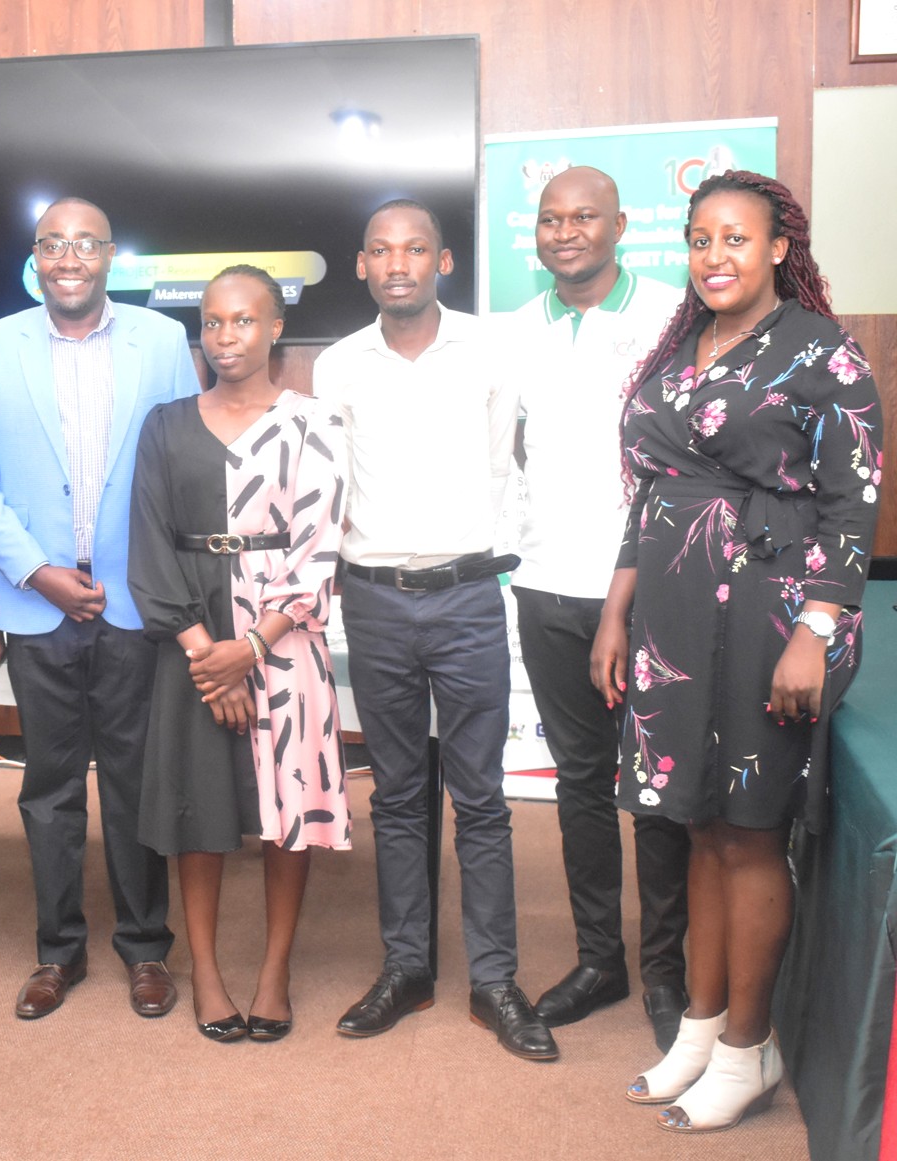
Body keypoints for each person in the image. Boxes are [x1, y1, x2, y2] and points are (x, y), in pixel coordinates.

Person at [594, 170, 882, 1132]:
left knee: (750, 832)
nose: (714, 256)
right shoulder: (681, 347)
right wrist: (615, 613)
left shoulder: (822, 352)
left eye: (734, 238)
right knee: (699, 826)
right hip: (673, 612)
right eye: (699, 239)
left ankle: (751, 1047)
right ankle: (703, 1027)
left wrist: (819, 626)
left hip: (773, 608)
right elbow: (652, 496)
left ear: (776, 248)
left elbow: (854, 501)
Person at [314, 199, 557, 1061]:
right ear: (361, 266)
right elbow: (329, 485)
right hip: (373, 599)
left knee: (481, 796)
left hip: (464, 598)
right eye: (381, 250)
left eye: (415, 248)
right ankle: (407, 968)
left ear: (443, 260)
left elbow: (499, 461)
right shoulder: (338, 366)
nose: (399, 263)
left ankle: (494, 980)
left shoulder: (489, 351)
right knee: (398, 794)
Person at [0, 196, 199, 1020]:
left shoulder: (162, 342)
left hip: (136, 603)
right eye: (52, 243)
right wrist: (33, 570)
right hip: (38, 605)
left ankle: (145, 948)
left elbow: (184, 462)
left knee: (135, 783)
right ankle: (58, 951)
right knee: (50, 788)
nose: (68, 258)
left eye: (84, 243)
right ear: (36, 255)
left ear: (110, 254)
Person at [129, 266, 348, 1042]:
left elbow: (321, 549)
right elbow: (149, 546)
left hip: (284, 636)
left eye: (244, 321)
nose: (226, 337)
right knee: (200, 812)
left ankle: (274, 969)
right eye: (213, 323)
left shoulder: (313, 422)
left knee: (287, 814)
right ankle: (209, 973)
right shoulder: (164, 423)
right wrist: (206, 655)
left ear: (276, 327)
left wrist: (250, 647)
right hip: (192, 636)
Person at [506, 166, 692, 1050]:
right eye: (551, 219)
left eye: (584, 217)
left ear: (621, 225)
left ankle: (666, 970)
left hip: (652, 589)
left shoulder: (670, 315)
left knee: (654, 786)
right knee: (581, 782)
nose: (566, 231)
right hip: (545, 585)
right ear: (534, 233)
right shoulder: (514, 332)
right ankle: (598, 959)